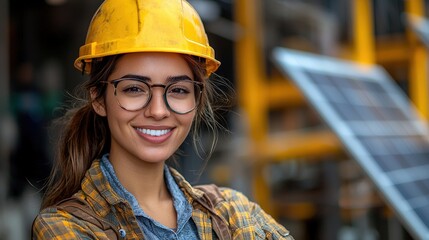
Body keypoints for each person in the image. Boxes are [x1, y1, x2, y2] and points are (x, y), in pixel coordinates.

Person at [31, 0, 294, 239]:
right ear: (99, 99)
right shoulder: (65, 226)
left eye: (178, 90)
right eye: (134, 88)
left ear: (196, 100)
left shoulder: (233, 212)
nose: (158, 111)